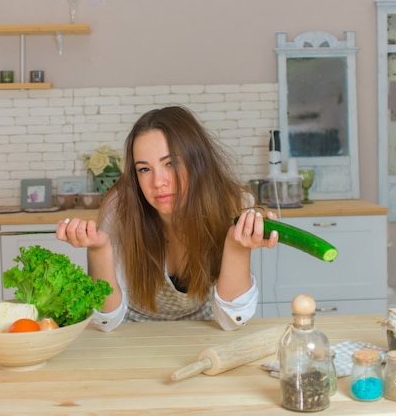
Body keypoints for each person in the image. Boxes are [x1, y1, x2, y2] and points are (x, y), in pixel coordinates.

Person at [56, 106, 278, 331]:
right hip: (131, 334)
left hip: (205, 331)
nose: (158, 182)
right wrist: (99, 250)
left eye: (170, 164)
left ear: (197, 161)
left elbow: (232, 320)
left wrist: (236, 246)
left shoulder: (233, 204)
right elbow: (106, 322)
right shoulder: (121, 206)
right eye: (144, 169)